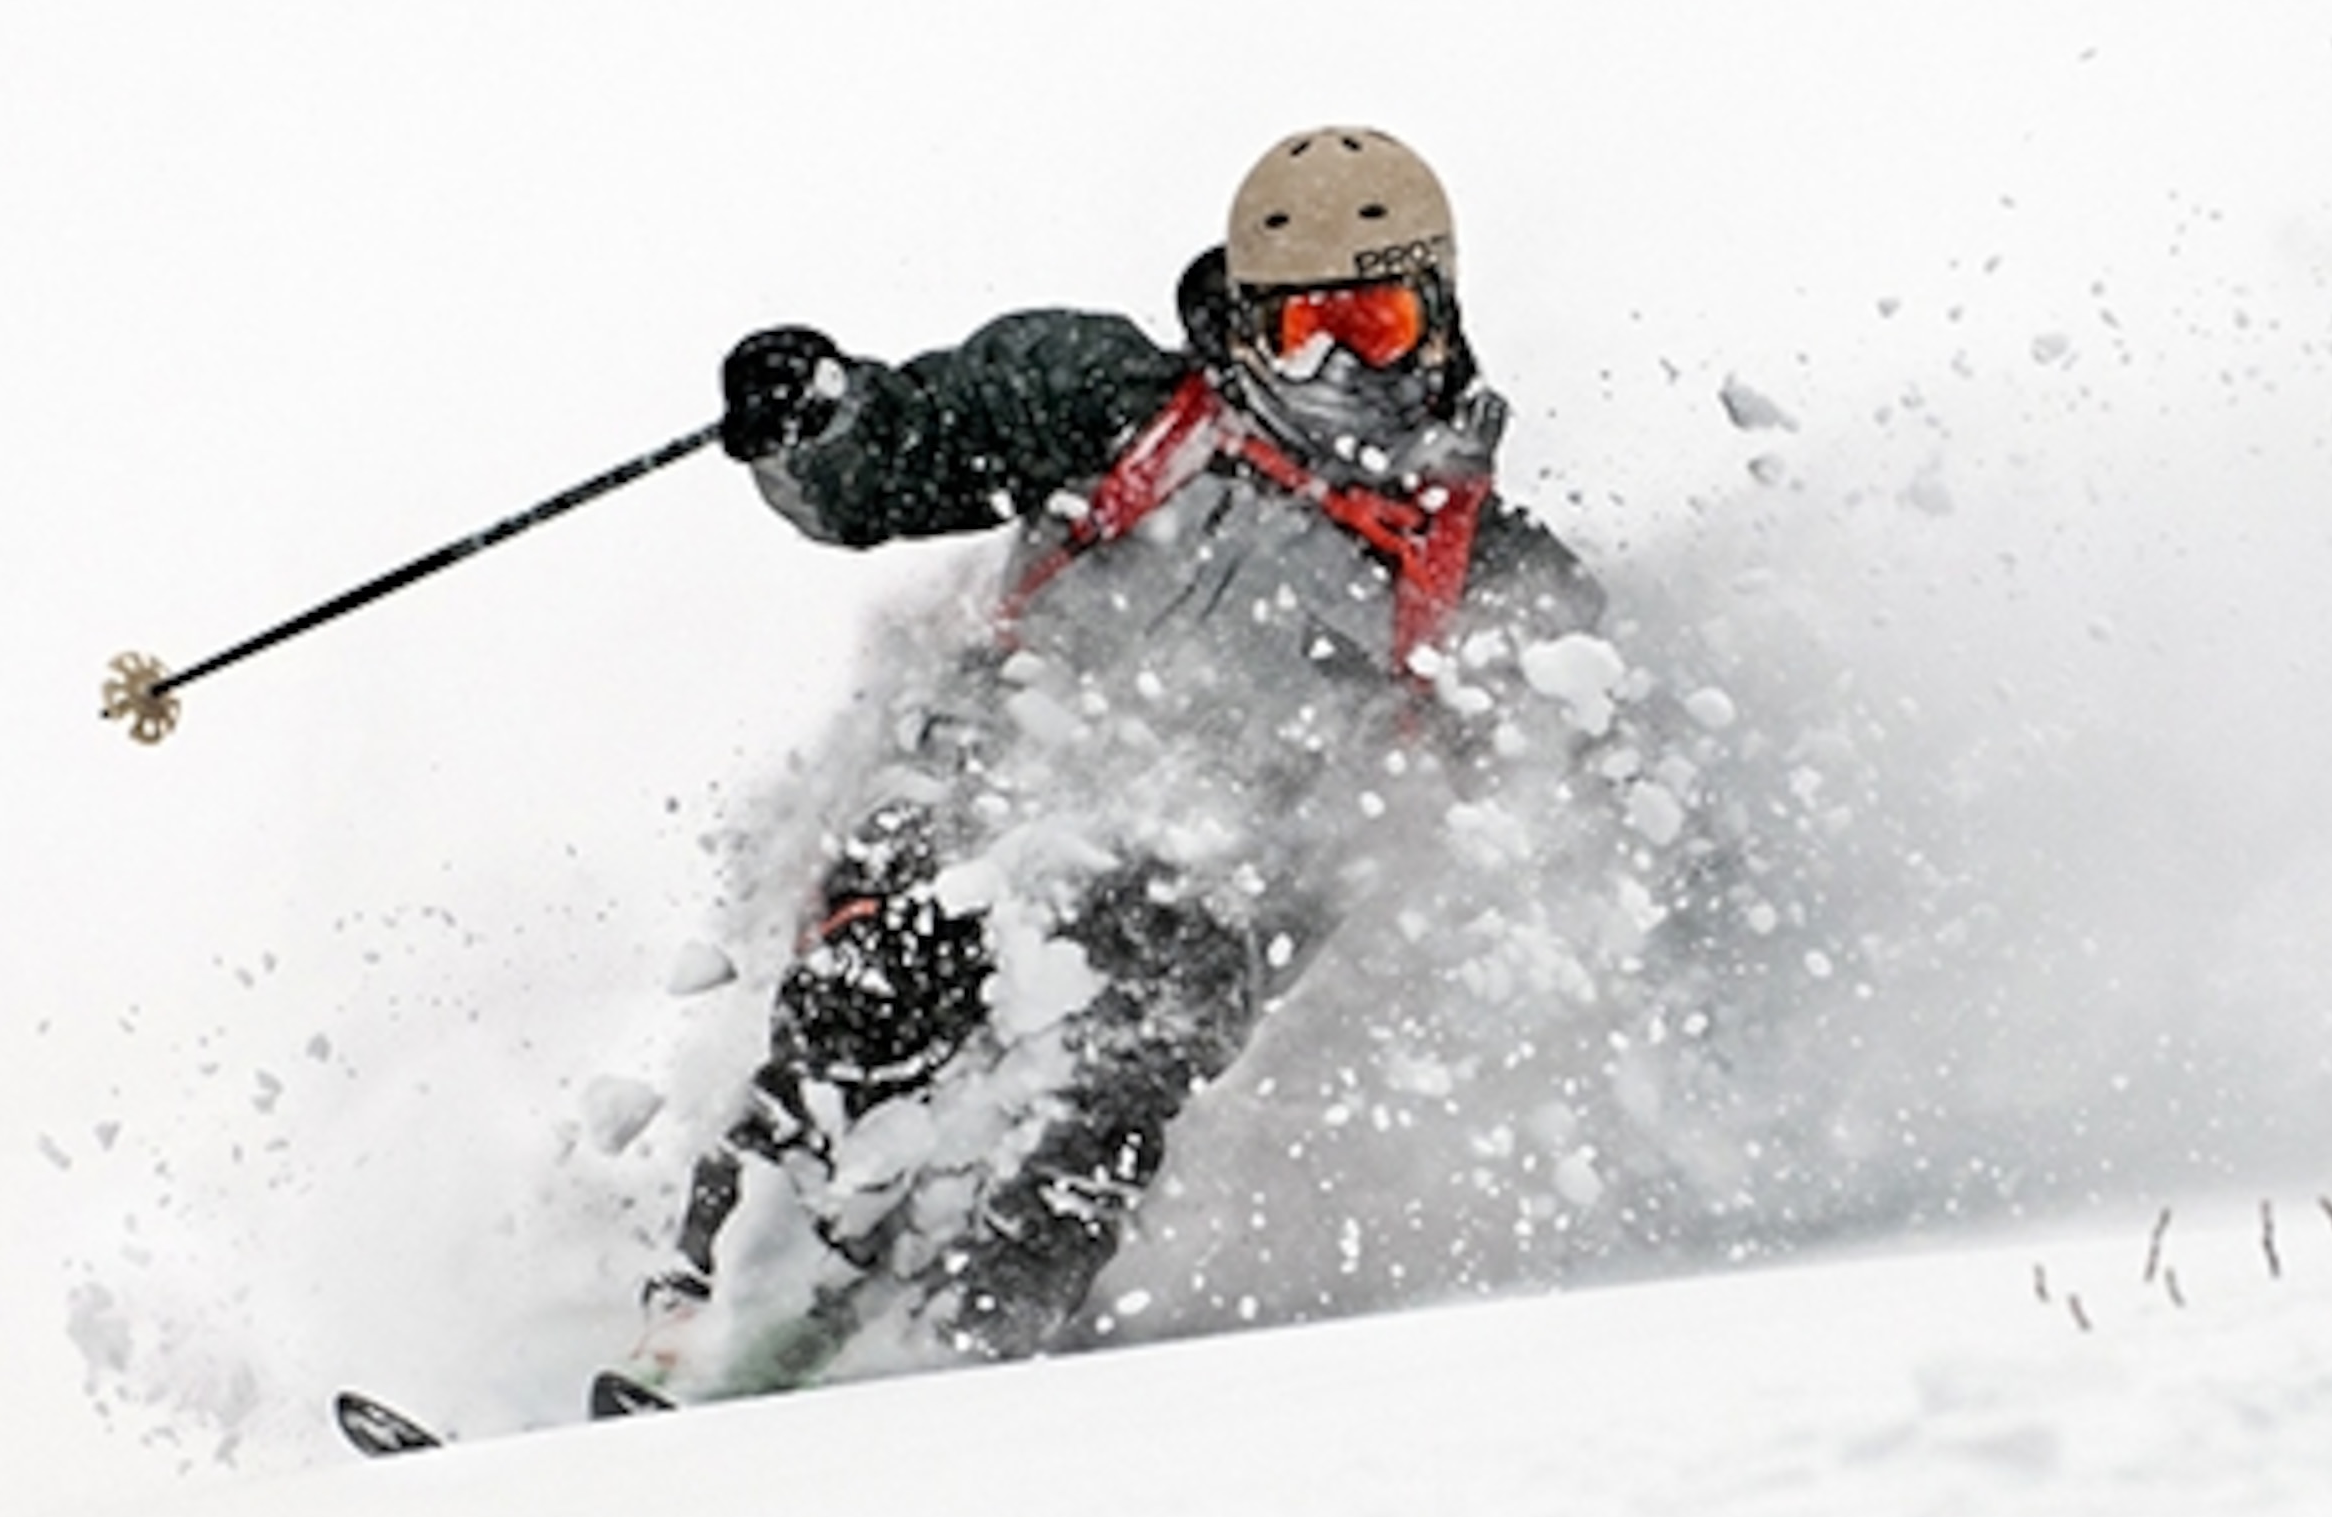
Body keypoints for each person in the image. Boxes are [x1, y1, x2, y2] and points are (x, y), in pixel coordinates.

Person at [637, 127, 1612, 1391]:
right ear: (1245, 321)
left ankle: (951, 1363)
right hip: (994, 779)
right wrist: (818, 423)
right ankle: (698, 1329)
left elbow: (1573, 793)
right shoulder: (1106, 402)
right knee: (873, 991)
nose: (1331, 365)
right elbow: (893, 459)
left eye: (1370, 324)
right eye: (1302, 328)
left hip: (1231, 879)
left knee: (1115, 1061)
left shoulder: (1492, 581)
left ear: (1437, 311)